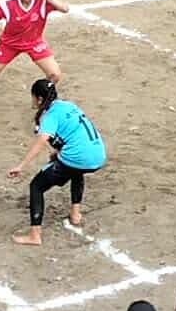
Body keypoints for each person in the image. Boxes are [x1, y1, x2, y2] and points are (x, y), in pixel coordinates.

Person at [7, 78, 105, 246]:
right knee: (76, 170)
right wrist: (59, 153)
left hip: (78, 157)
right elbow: (73, 133)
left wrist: (21, 166)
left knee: (36, 186)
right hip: (98, 154)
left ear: (39, 99)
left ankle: (35, 235)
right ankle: (75, 214)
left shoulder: (50, 116)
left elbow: (41, 142)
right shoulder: (68, 106)